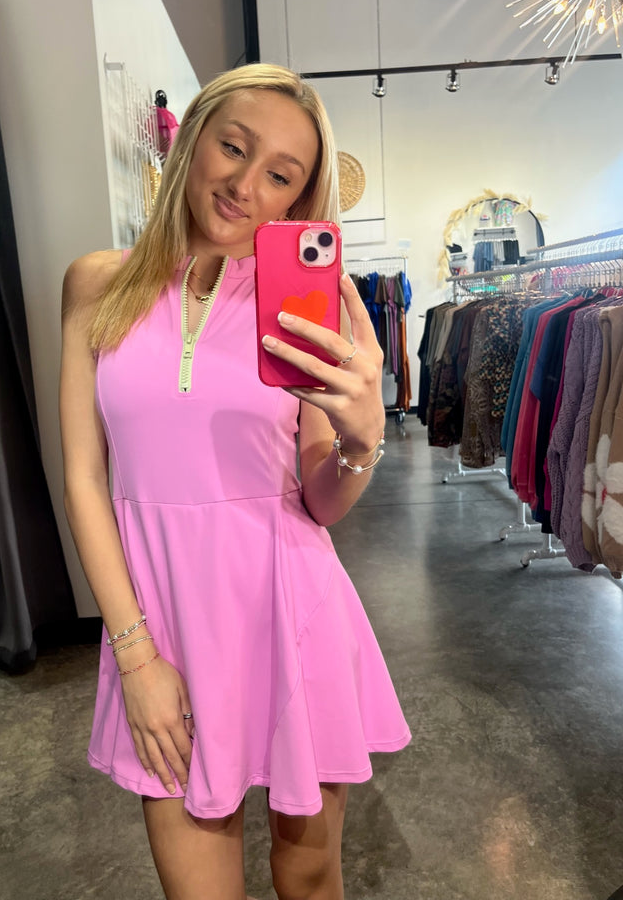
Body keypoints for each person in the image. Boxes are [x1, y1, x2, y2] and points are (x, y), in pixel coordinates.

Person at [60, 62, 411, 900]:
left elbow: (319, 500)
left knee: (310, 874)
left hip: (292, 614)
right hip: (161, 630)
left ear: (299, 198)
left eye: (281, 175)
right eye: (234, 147)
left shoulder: (302, 306)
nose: (246, 185)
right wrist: (135, 658)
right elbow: (83, 478)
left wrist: (361, 438)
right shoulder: (96, 284)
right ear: (193, 140)